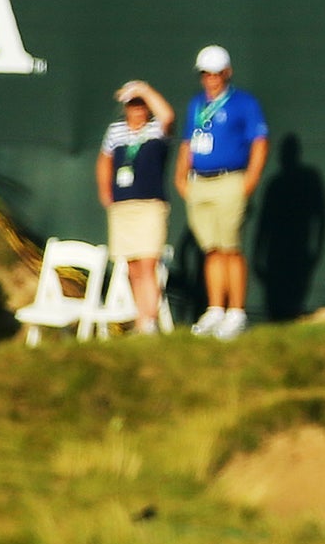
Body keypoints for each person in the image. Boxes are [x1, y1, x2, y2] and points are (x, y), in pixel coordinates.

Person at [174, 46, 270, 339]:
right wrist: (180, 176)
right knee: (212, 248)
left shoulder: (243, 103)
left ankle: (236, 312)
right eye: (205, 74)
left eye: (216, 73)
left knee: (230, 247)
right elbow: (188, 141)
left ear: (227, 73)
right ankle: (216, 308)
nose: (211, 79)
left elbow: (259, 141)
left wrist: (250, 180)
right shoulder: (196, 105)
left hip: (230, 180)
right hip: (199, 182)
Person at [97, 82, 176, 333]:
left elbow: (168, 116)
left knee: (147, 263)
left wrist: (143, 89)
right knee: (132, 266)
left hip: (150, 206)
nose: (137, 110)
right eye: (132, 105)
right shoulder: (115, 131)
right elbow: (104, 161)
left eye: (141, 105)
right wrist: (105, 193)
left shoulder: (156, 130)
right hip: (123, 207)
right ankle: (141, 319)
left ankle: (150, 321)